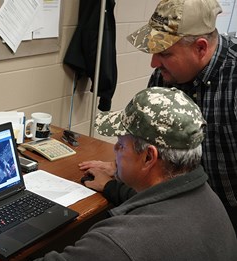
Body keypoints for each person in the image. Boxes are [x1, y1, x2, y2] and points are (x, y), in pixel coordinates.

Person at [0, 87, 237, 261]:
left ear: (149, 158)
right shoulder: (209, 202)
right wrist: (112, 186)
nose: (115, 153)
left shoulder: (120, 246)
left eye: (120, 145)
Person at [79, 0, 237, 231]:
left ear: (201, 48)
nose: (154, 63)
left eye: (164, 53)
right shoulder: (165, 76)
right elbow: (151, 134)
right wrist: (123, 168)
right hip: (183, 207)